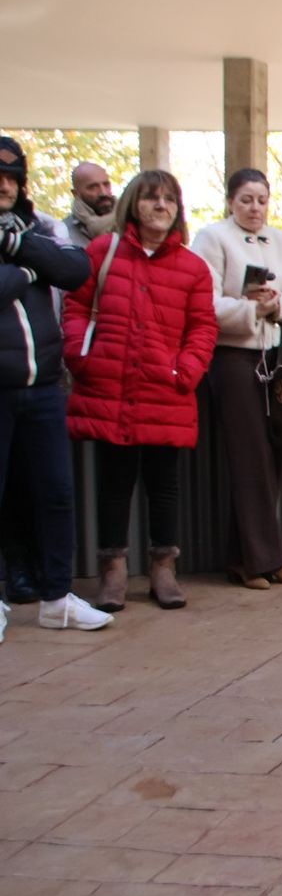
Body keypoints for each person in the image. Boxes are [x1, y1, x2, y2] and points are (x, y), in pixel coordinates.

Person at [62, 170, 219, 611]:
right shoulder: (102, 252)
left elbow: (202, 327)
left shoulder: (191, 267)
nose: (161, 206)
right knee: (114, 484)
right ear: (133, 203)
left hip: (165, 390)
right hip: (110, 387)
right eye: (152, 198)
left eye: (170, 199)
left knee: (164, 485)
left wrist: (184, 371)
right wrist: (82, 356)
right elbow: (75, 307)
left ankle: (163, 568)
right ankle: (113, 572)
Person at [191, 168, 282, 590]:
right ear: (231, 201)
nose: (254, 208)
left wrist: (277, 305)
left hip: (277, 356)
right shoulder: (212, 238)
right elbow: (203, 302)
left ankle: (245, 556)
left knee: (272, 454)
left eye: (261, 199)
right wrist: (249, 310)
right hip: (233, 358)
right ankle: (265, 559)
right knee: (250, 459)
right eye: (246, 199)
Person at [0, 135, 108, 634]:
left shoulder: (37, 228)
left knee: (58, 493)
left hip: (44, 386)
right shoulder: (38, 243)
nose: (4, 185)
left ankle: (57, 597)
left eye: (11, 176)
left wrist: (17, 248)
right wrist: (27, 270)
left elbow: (75, 268)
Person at [63, 162, 118, 249]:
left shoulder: (132, 222)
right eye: (93, 187)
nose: (103, 193)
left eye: (106, 185)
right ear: (76, 193)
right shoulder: (64, 233)